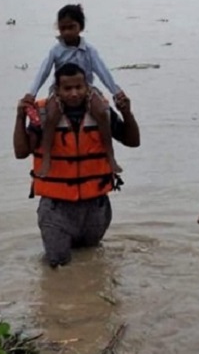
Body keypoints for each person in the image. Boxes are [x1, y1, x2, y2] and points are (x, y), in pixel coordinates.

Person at [13, 63, 140, 268]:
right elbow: (21, 152)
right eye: (67, 89)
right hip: (56, 208)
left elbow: (133, 141)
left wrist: (127, 113)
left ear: (87, 87)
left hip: (95, 207)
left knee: (91, 262)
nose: (74, 94)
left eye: (79, 87)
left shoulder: (102, 112)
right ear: (57, 89)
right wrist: (20, 117)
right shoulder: (43, 114)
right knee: (56, 264)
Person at [21, 4, 128, 179]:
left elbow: (102, 71)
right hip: (60, 91)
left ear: (81, 27)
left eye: (72, 27)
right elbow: (43, 71)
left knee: (101, 112)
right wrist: (31, 93)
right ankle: (46, 156)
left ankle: (110, 155)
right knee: (52, 115)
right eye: (63, 28)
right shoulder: (56, 51)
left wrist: (116, 92)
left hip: (86, 89)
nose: (67, 32)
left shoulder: (89, 50)